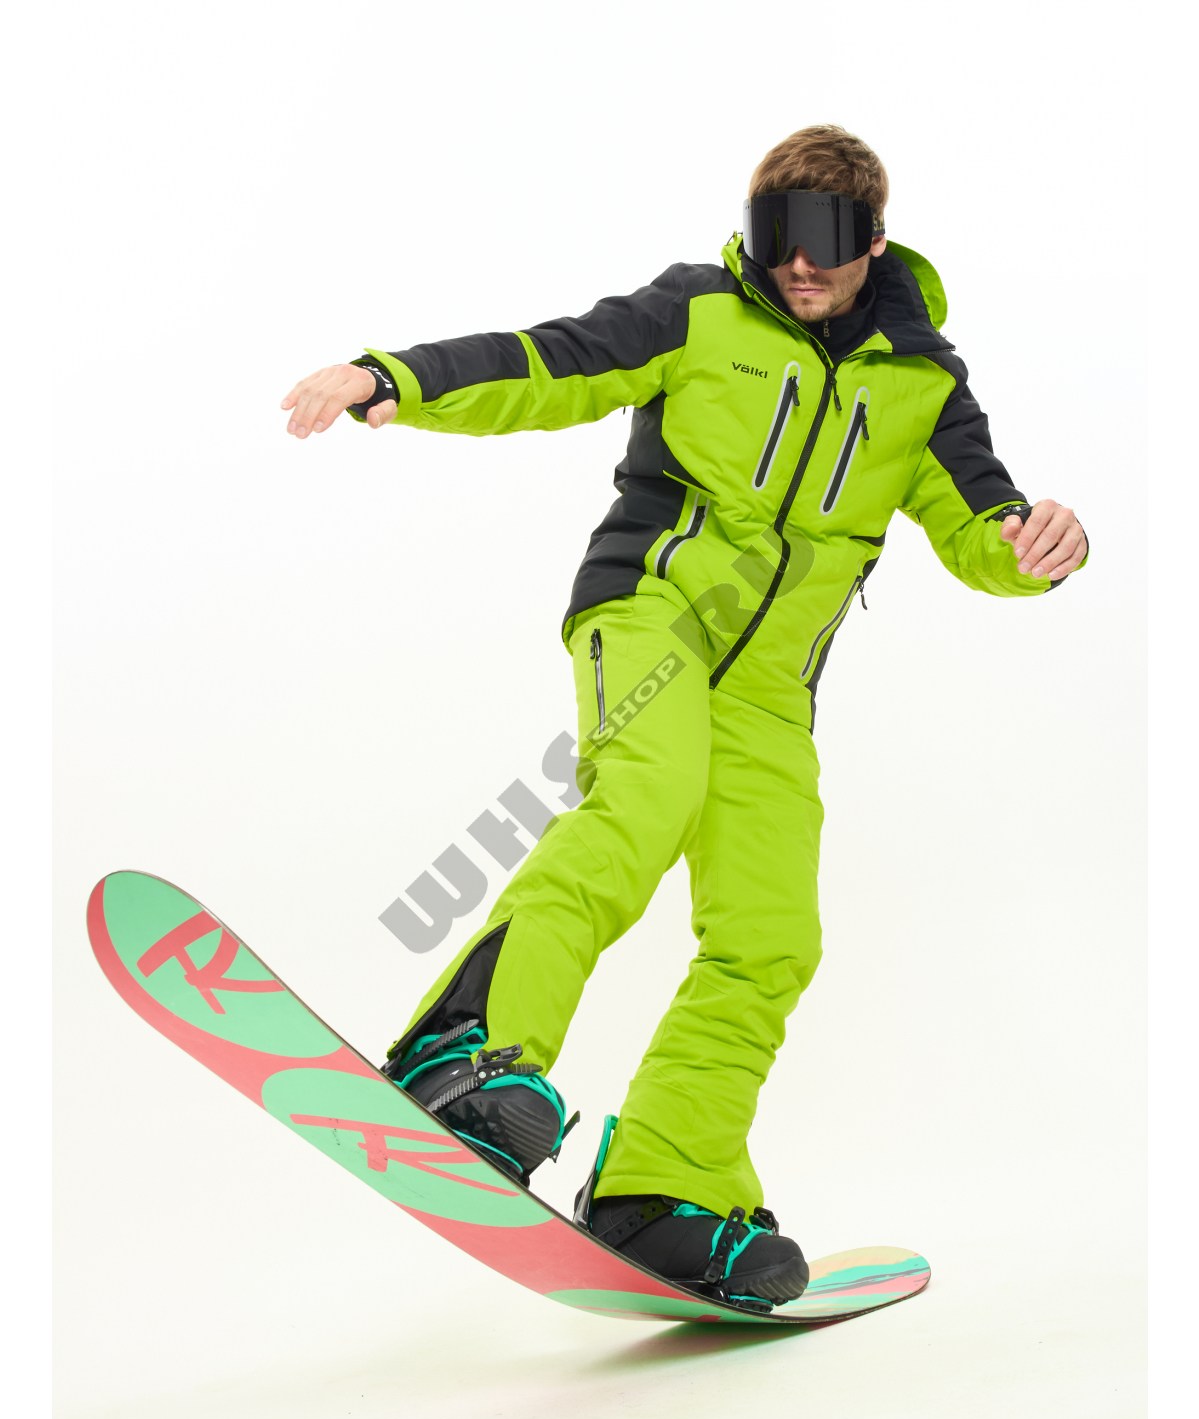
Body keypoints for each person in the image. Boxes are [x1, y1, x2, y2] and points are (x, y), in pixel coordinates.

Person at [280, 124, 1088, 1308]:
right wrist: (394, 377)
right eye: (777, 234)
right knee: (642, 802)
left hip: (772, 688)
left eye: (825, 239)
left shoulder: (921, 381)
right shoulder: (700, 311)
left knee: (773, 936)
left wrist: (1039, 546)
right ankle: (466, 1052)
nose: (798, 263)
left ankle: (663, 1185)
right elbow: (554, 360)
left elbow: (984, 525)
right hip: (653, 615)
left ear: (874, 241)